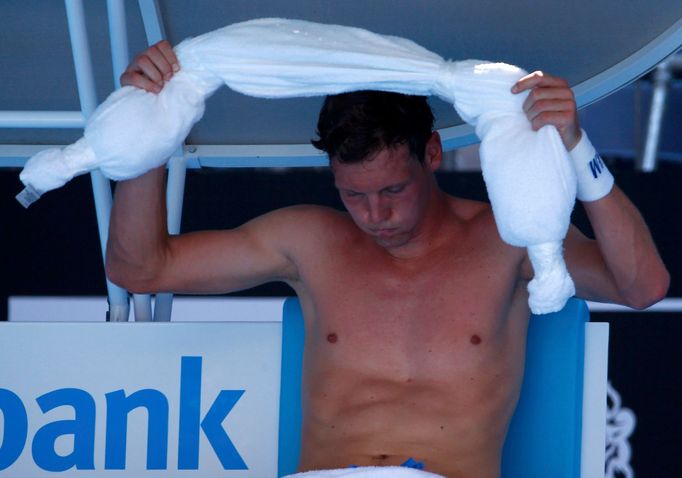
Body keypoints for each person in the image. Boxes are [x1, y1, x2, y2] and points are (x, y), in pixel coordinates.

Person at [106, 40, 669, 478]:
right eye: (354, 195)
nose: (375, 215)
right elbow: (140, 268)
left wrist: (576, 148)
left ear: (431, 153)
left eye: (392, 191)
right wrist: (149, 133)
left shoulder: (512, 239)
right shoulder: (309, 240)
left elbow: (642, 286)